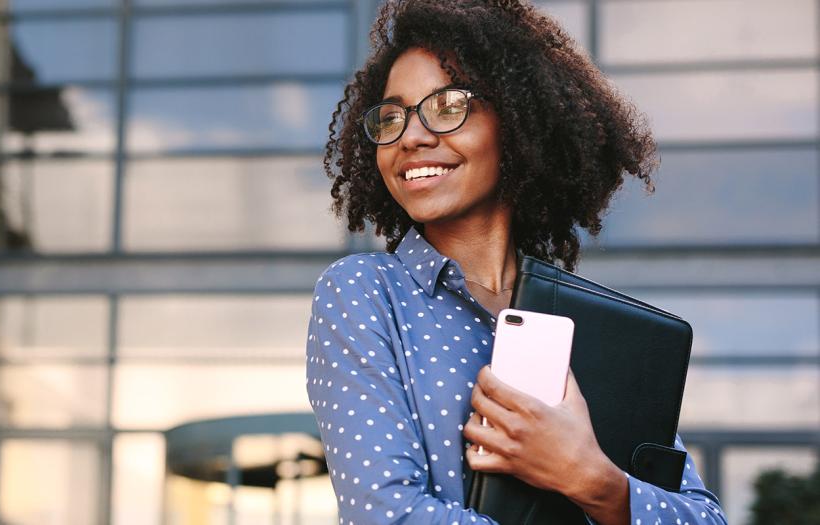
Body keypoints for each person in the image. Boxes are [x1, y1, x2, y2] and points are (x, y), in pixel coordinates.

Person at [304, 1, 727, 524]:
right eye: (392, 117)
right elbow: (387, 516)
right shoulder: (366, 293)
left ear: (519, 119)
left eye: (447, 105)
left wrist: (589, 476)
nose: (410, 137)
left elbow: (704, 518)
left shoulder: (584, 323)